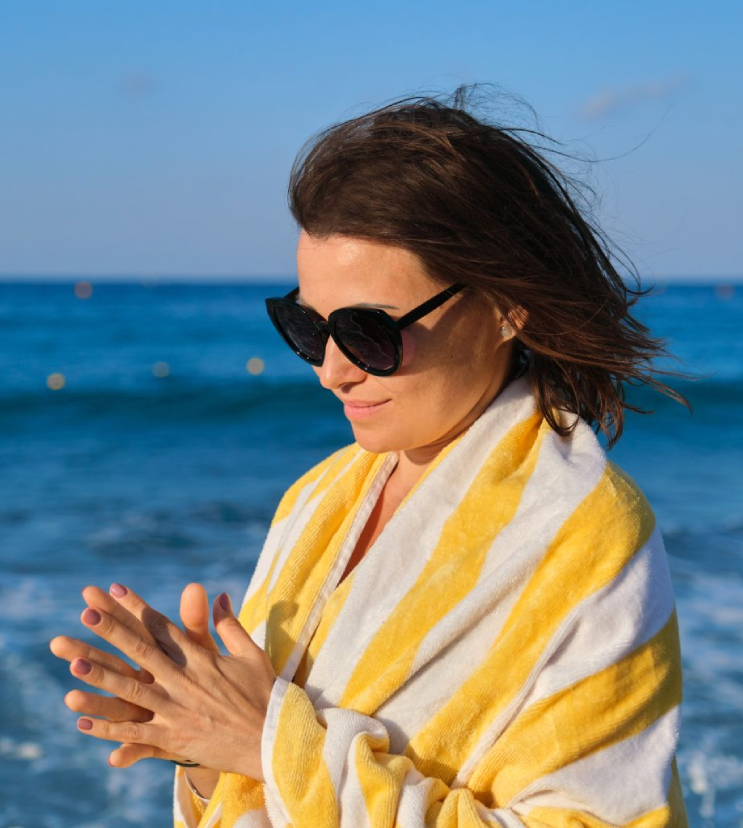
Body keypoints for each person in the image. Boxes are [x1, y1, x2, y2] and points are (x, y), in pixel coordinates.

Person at [49, 85, 692, 827]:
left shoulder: (584, 533)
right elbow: (253, 782)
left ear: (508, 305)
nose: (331, 369)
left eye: (368, 332)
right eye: (307, 326)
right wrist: (199, 747)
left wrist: (268, 747)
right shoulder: (323, 496)